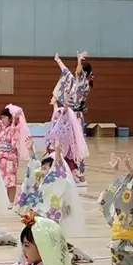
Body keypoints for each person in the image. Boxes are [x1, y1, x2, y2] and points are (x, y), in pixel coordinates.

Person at [15, 140, 91, 263]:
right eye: (42, 168)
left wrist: (58, 152)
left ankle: (74, 252)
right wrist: (31, 151)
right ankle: (26, 258)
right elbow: (33, 170)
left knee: (52, 243)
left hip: (49, 217)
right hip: (38, 215)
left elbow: (58, 168)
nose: (42, 170)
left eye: (45, 168)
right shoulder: (41, 181)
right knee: (40, 240)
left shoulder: (56, 179)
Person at [52, 52, 93, 184]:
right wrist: (58, 60)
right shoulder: (75, 82)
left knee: (77, 143)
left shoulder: (84, 83)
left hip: (76, 116)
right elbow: (65, 71)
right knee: (66, 143)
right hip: (68, 115)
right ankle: (69, 170)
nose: (76, 70)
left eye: (79, 69)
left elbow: (78, 73)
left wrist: (79, 60)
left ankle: (80, 173)